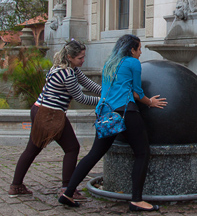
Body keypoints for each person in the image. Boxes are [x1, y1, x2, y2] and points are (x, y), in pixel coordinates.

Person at [58, 34, 167, 212]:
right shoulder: (133, 63)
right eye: (139, 49)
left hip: (105, 112)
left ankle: (68, 192)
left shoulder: (110, 62)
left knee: (94, 153)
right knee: (142, 152)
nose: (140, 53)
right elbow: (137, 93)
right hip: (125, 112)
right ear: (131, 49)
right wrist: (151, 102)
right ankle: (137, 200)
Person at [9, 40, 102, 200]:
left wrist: (107, 92)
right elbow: (80, 97)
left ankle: (16, 186)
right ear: (70, 57)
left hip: (41, 110)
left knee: (33, 148)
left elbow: (88, 83)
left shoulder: (68, 68)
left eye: (83, 57)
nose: (83, 60)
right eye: (80, 58)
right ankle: (67, 189)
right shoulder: (66, 74)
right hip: (50, 114)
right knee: (72, 148)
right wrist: (104, 101)